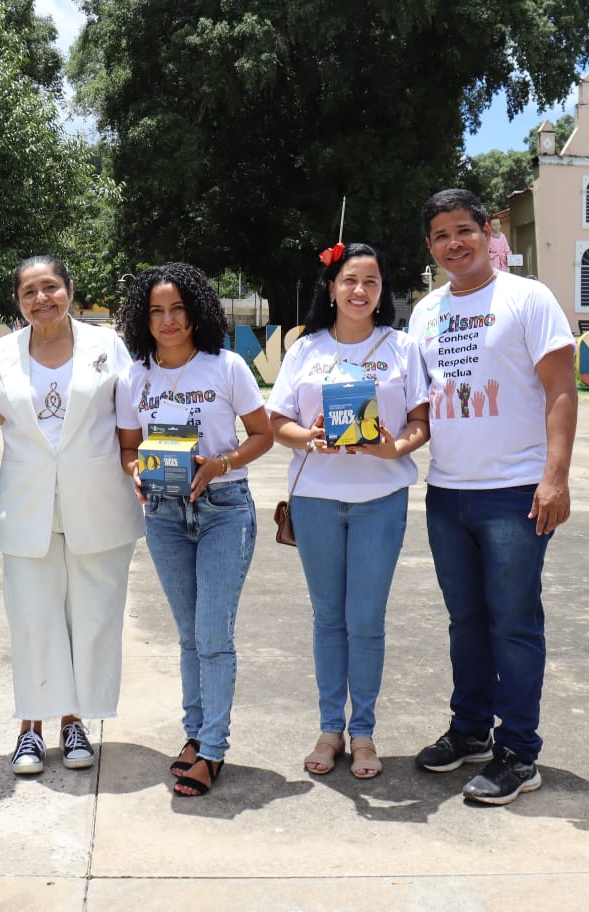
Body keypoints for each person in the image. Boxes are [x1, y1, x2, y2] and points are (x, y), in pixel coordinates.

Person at [407, 188, 577, 805]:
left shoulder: (527, 298)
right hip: (447, 491)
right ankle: (471, 730)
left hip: (515, 493)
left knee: (514, 623)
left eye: (464, 230)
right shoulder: (425, 312)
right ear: (430, 246)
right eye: (441, 235)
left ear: (488, 232)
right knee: (466, 622)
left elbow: (561, 388)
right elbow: (418, 402)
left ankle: (519, 752)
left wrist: (555, 477)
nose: (454, 243)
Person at [266, 242, 429, 780]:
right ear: (332, 288)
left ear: (383, 291)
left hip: (381, 501)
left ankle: (363, 734)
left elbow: (420, 422)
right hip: (315, 500)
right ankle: (329, 729)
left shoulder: (402, 348)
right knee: (328, 619)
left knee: (366, 621)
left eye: (371, 282)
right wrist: (308, 438)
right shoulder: (305, 349)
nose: (360, 290)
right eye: (350, 280)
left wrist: (392, 448)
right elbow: (277, 422)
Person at [0, 256, 143, 776]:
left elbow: (131, 419)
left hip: (98, 499)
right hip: (27, 503)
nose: (41, 299)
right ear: (17, 301)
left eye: (50, 287)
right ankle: (30, 726)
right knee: (32, 616)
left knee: (93, 617)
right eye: (29, 291)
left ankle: (75, 722)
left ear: (70, 289)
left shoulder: (107, 346)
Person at [116, 262, 273, 797]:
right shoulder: (134, 376)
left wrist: (221, 464)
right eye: (156, 311)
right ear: (143, 319)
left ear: (196, 312)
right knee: (188, 635)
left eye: (178, 309)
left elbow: (262, 435)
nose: (168, 320)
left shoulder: (226, 366)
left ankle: (212, 750)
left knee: (212, 633)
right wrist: (136, 471)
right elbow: (129, 447)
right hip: (163, 514)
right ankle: (195, 736)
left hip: (224, 510)